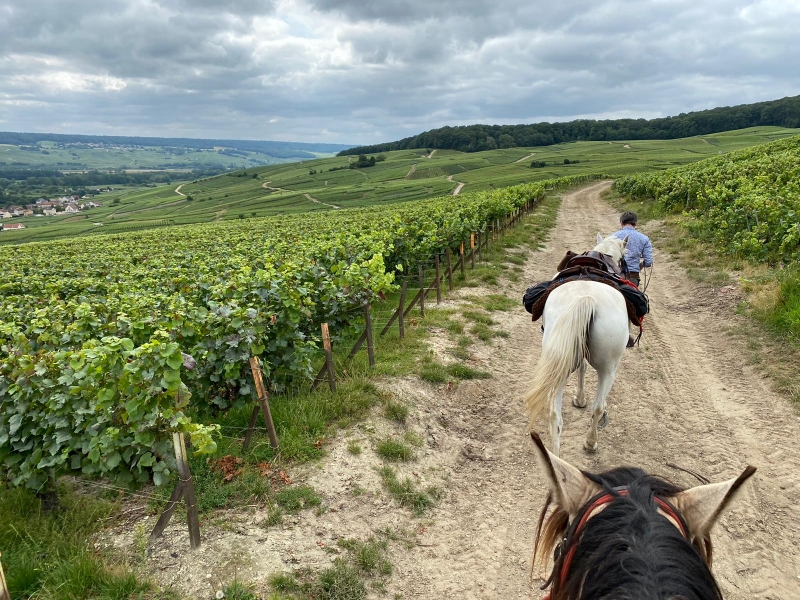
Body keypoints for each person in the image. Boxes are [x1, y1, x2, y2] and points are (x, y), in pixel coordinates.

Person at [612, 211, 652, 288]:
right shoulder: (644, 239)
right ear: (636, 223)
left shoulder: (612, 237)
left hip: (614, 276)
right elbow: (648, 262)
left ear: (621, 222)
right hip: (632, 277)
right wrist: (640, 266)